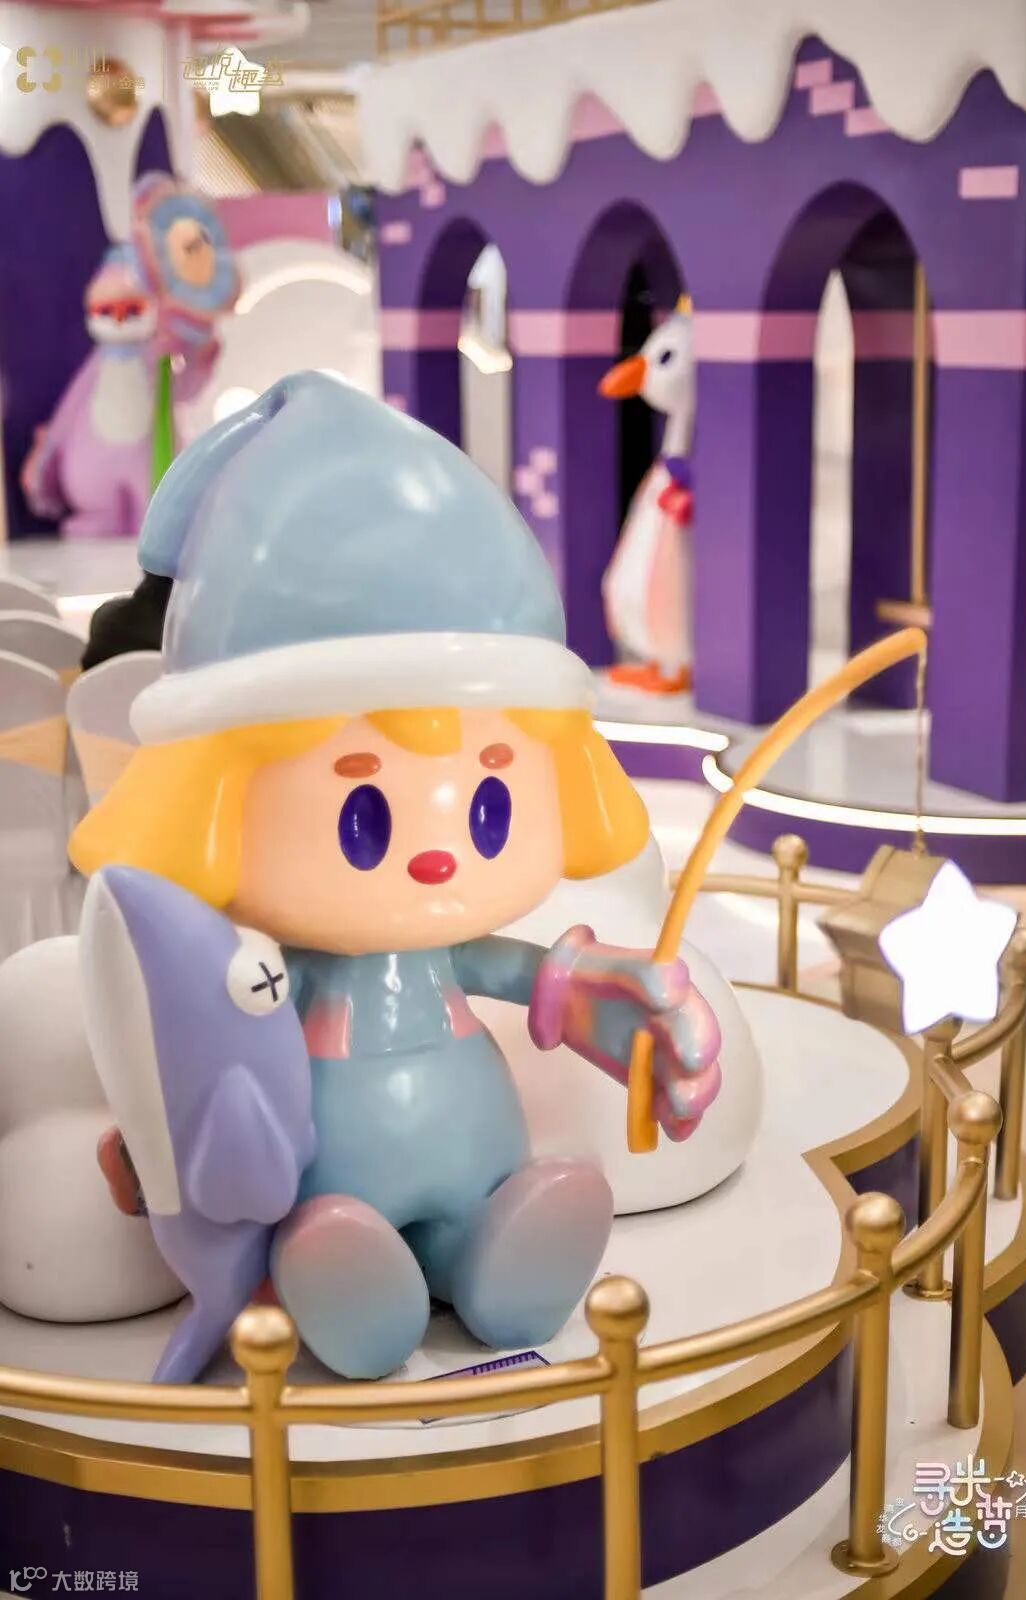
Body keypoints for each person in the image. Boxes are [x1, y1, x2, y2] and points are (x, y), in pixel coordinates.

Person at [71, 373, 722, 1380]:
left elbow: (512, 968)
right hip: (327, 1173)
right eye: (363, 817)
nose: (436, 855)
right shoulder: (263, 972)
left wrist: (589, 989)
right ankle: (344, 1282)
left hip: (476, 1138)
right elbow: (207, 1045)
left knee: (487, 1213)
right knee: (332, 1228)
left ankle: (499, 1251)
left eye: (490, 803)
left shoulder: (445, 950)